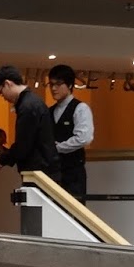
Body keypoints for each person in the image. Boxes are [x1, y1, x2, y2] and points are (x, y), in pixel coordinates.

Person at [0, 65, 56, 175]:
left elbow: (23, 145)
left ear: (7, 84)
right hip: (41, 169)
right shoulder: (31, 102)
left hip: (39, 171)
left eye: (1, 92)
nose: (3, 97)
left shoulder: (27, 106)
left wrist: (1, 160)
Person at [47, 63, 94, 203]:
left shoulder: (80, 108)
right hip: (54, 171)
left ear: (69, 85)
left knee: (74, 210)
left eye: (58, 84)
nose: (53, 88)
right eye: (51, 84)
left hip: (73, 172)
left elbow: (84, 139)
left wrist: (58, 148)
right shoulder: (49, 111)